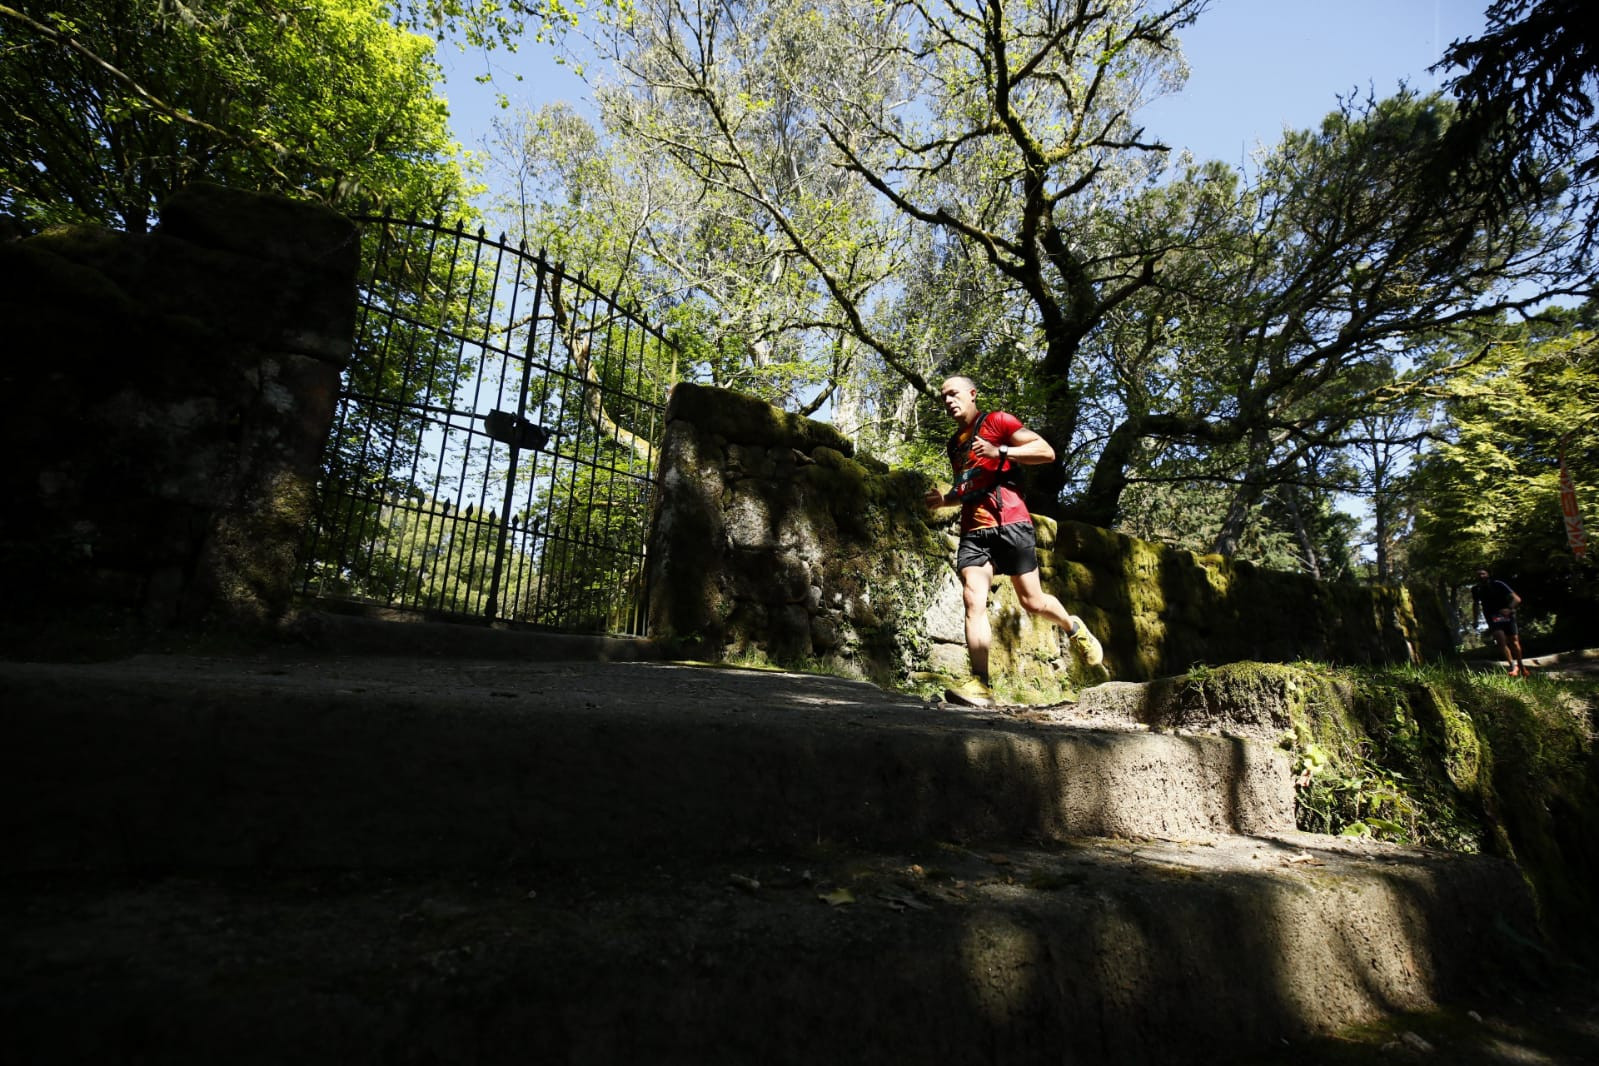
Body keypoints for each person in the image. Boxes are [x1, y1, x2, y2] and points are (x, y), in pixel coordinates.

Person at [923, 375, 1104, 707]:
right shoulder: (955, 445)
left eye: (954, 393)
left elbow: (1045, 451)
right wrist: (945, 499)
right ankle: (980, 684)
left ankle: (1072, 625)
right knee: (972, 598)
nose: (948, 400)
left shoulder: (998, 421)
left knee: (1032, 602)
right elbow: (969, 486)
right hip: (974, 530)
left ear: (972, 394)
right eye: (943, 396)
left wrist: (1000, 450)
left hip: (1012, 522)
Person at [1471, 567, 1527, 677]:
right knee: (1500, 640)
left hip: (1507, 615)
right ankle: (1512, 665)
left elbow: (1517, 599)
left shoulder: (1498, 584)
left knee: (1514, 642)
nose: (1481, 576)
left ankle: (1521, 666)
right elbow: (1476, 605)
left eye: (1483, 573)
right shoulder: (1476, 589)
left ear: (1488, 574)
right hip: (1492, 617)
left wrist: (1509, 609)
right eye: (1478, 575)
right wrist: (1475, 620)